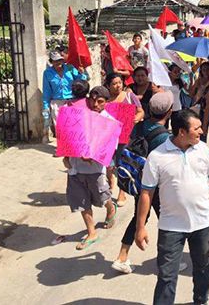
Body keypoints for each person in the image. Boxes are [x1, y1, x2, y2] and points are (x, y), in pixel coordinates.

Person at [135, 109, 209, 305]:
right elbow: (146, 194)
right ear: (182, 132)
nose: (201, 132)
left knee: (202, 267)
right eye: (197, 128)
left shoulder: (203, 151)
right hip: (171, 226)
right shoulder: (156, 157)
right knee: (166, 276)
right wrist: (140, 227)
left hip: (202, 223)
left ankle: (201, 300)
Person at [112, 92, 186, 275]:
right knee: (167, 221)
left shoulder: (140, 125)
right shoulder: (164, 137)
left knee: (141, 217)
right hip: (158, 187)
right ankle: (167, 261)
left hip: (140, 181)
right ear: (169, 112)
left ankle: (122, 256)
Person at [64, 86, 117, 250]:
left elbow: (110, 147)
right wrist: (66, 152)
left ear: (106, 103)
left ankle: (110, 208)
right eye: (92, 100)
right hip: (75, 167)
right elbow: (68, 134)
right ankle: (92, 232)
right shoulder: (78, 115)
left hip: (95, 169)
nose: (95, 104)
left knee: (102, 197)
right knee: (81, 201)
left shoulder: (110, 122)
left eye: (100, 101)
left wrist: (92, 156)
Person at [106, 73, 145, 207]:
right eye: (114, 84)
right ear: (108, 86)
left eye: (119, 83)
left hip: (126, 136)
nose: (117, 86)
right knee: (109, 164)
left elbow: (141, 111)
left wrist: (136, 118)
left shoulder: (129, 96)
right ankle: (110, 181)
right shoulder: (105, 100)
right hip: (110, 137)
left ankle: (122, 192)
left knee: (121, 163)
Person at [42, 51, 88, 140]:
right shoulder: (47, 73)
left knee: (73, 125)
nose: (58, 62)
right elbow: (46, 91)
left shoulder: (70, 68)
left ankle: (73, 145)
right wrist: (46, 106)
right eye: (55, 61)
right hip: (57, 102)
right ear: (51, 61)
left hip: (71, 101)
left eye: (59, 60)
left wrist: (81, 73)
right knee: (59, 126)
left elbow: (81, 81)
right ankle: (61, 147)